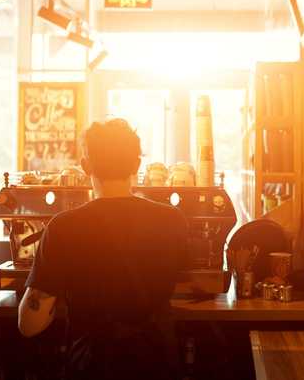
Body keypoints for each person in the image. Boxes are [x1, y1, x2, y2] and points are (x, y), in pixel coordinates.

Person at [18, 116, 189, 379]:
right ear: (136, 165)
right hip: (155, 362)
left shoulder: (64, 226)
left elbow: (30, 324)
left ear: (85, 166)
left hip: (93, 364)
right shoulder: (173, 220)